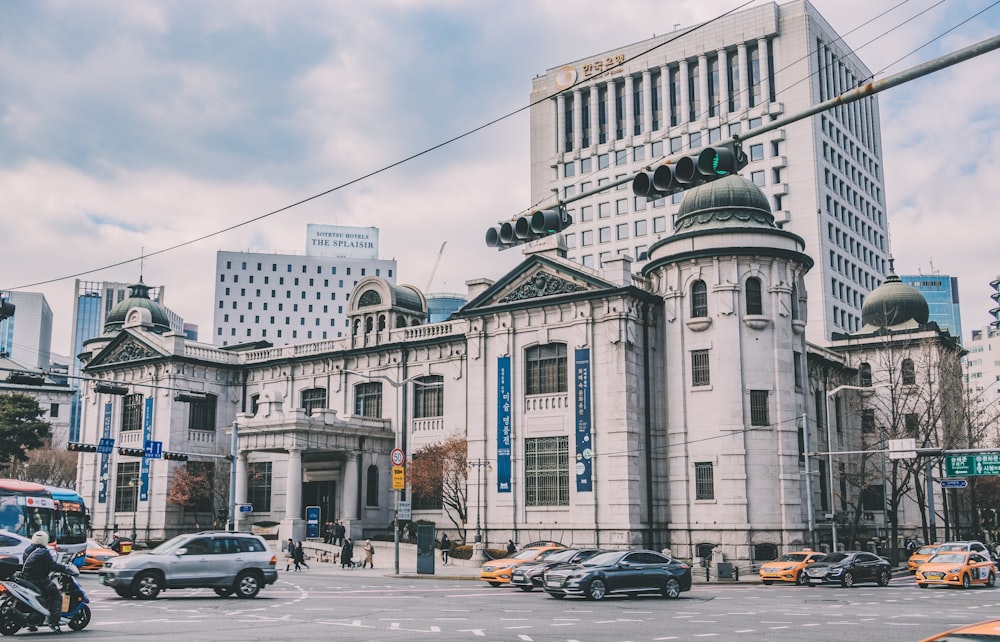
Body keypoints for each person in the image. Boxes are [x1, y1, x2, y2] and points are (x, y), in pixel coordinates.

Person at [22, 531, 75, 632]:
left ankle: (33, 624)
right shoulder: (43, 552)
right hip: (39, 580)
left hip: (27, 579)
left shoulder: (28, 549)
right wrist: (65, 568)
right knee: (57, 596)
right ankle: (54, 622)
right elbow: (53, 566)